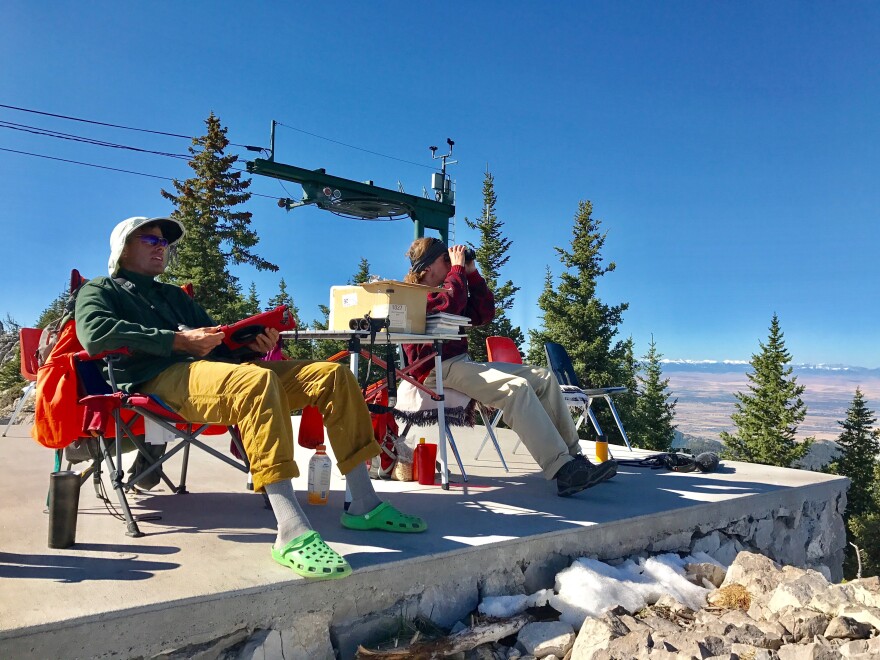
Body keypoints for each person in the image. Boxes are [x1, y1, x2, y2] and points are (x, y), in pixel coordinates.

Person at [76, 216, 426, 580]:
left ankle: (364, 504)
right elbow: (95, 334)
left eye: (164, 241)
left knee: (333, 375)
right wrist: (179, 341)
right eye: (150, 239)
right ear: (123, 248)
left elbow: (218, 348)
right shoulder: (101, 290)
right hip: (155, 379)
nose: (161, 246)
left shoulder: (173, 296)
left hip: (207, 373)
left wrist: (250, 345)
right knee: (255, 383)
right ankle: (290, 530)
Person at [402, 237, 617, 496]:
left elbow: (484, 313)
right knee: (516, 388)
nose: (450, 264)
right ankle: (561, 469)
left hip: (457, 363)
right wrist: (458, 271)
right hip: (433, 367)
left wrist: (471, 273)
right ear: (426, 267)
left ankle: (574, 458)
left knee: (543, 377)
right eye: (444, 260)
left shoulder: (448, 289)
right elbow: (452, 303)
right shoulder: (414, 296)